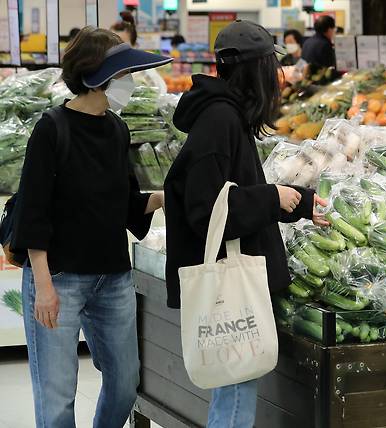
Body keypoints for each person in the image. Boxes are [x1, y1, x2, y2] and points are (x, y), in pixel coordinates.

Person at [164, 20, 328, 427]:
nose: (276, 78)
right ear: (253, 70)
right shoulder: (220, 120)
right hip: (228, 282)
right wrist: (272, 197)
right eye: (269, 68)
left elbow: (235, 189)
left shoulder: (223, 114)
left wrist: (300, 203)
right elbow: (205, 207)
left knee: (233, 393)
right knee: (236, 397)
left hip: (229, 277)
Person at [12, 27, 171, 428]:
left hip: (112, 278)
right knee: (57, 393)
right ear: (96, 77)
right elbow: (33, 212)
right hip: (59, 278)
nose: (130, 84)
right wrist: (43, 286)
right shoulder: (52, 128)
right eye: (123, 75)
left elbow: (127, 204)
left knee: (125, 381)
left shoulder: (117, 129)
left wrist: (166, 197)